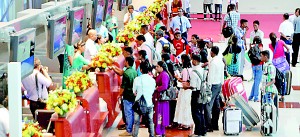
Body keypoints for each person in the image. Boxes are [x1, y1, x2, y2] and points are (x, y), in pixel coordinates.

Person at [183, 54, 206, 137]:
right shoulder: (201, 69)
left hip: (196, 93)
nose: (192, 62)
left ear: (195, 61)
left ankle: (197, 132)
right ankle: (203, 130)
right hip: (202, 92)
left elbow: (193, 86)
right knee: (201, 112)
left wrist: (186, 87)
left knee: (195, 112)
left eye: (192, 60)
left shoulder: (194, 72)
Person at [132, 61, 155, 137]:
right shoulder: (152, 80)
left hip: (138, 104)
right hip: (149, 103)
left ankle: (135, 135)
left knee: (136, 122)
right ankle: (151, 135)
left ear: (141, 70)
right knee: (150, 121)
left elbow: (134, 92)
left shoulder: (137, 79)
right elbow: (152, 91)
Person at [206, 46, 224, 131]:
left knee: (208, 105)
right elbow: (222, 74)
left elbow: (211, 75)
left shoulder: (213, 62)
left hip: (213, 85)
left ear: (212, 52)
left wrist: (208, 86)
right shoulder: (220, 61)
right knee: (216, 105)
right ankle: (215, 124)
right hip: (219, 84)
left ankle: (209, 126)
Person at [118, 56, 137, 136]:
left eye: (125, 61)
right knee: (133, 113)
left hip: (127, 95)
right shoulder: (134, 71)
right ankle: (132, 129)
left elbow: (123, 86)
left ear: (127, 62)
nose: (124, 63)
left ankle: (128, 130)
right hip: (134, 95)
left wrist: (119, 94)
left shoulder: (126, 73)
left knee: (128, 113)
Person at [173, 54, 193, 129]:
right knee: (188, 106)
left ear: (183, 60)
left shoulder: (185, 70)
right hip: (189, 90)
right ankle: (188, 122)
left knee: (183, 106)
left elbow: (183, 81)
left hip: (184, 90)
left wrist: (178, 78)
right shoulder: (191, 69)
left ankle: (184, 123)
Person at [269, 32, 290, 101]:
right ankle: (282, 95)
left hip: (275, 64)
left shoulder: (270, 45)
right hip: (283, 63)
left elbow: (274, 52)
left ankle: (274, 93)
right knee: (283, 79)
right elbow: (288, 49)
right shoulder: (281, 42)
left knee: (275, 79)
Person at [153, 61, 171, 137]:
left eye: (157, 66)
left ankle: (159, 131)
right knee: (161, 115)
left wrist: (157, 88)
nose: (156, 68)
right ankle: (161, 131)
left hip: (161, 99)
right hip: (160, 98)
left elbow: (164, 86)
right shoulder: (162, 74)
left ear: (161, 67)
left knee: (159, 115)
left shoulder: (164, 75)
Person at [248, 36, 263, 102]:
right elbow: (262, 54)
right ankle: (256, 97)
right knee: (257, 82)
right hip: (259, 65)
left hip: (253, 65)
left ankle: (251, 96)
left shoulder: (251, 46)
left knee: (255, 81)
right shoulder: (260, 45)